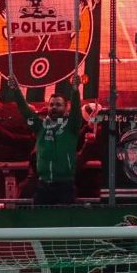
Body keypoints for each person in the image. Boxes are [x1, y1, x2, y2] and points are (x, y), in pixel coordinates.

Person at [9, 78, 84, 206]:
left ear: (67, 108)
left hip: (65, 186)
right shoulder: (40, 126)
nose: (54, 107)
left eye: (58, 105)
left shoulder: (72, 126)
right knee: (41, 222)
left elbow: (76, 111)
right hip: (43, 185)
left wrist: (75, 91)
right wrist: (16, 90)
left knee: (65, 223)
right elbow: (25, 111)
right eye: (52, 104)